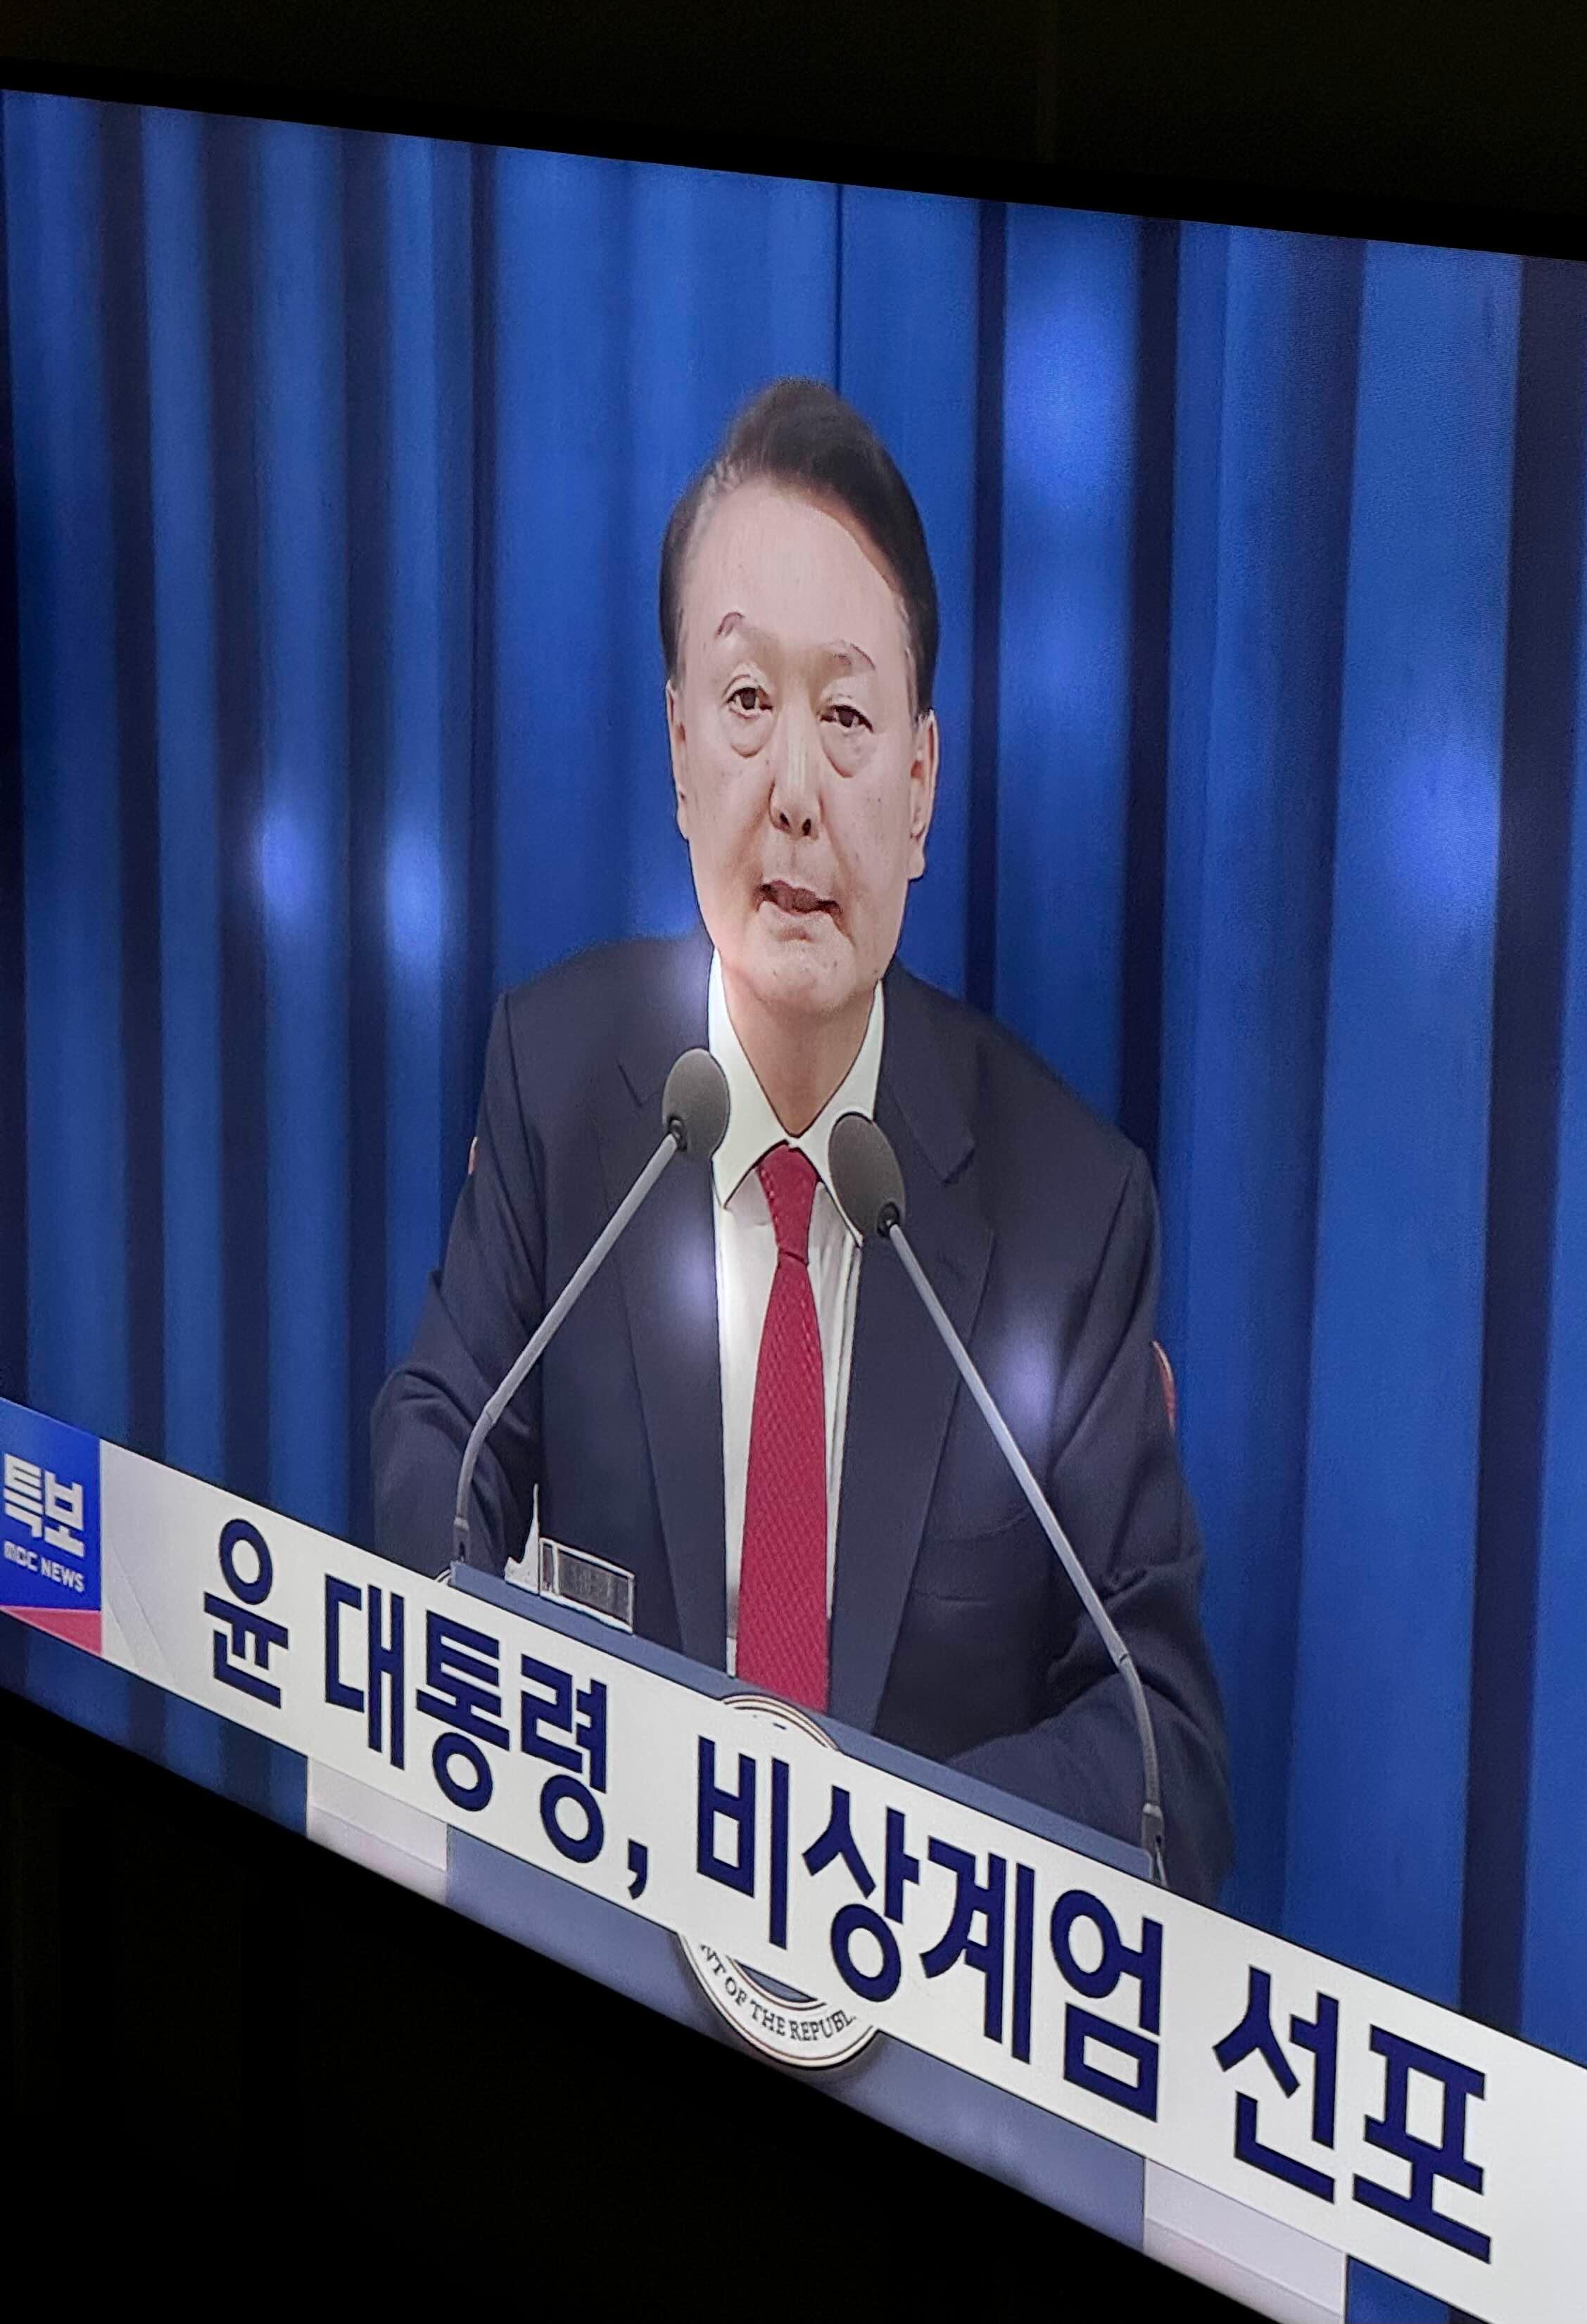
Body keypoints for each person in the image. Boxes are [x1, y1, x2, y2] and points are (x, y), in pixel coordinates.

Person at [372, 378, 1232, 1903]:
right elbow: (439, 1451)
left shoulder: (1072, 1211)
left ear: (919, 787)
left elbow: (1164, 1748)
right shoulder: (558, 1077)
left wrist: (843, 1849)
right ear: (678, 747)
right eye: (746, 704)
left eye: (843, 717)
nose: (791, 795)